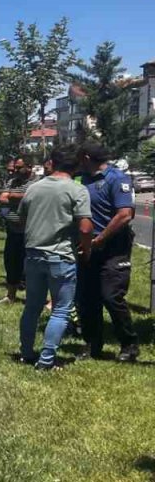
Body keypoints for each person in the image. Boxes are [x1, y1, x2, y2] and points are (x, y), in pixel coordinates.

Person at [18, 147, 93, 370]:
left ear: (53, 162)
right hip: (60, 255)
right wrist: (86, 250)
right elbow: (86, 228)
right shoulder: (77, 190)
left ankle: (26, 352)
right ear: (76, 166)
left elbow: (21, 220)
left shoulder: (33, 188)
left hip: (32, 254)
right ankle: (47, 359)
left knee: (32, 306)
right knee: (61, 308)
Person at [75, 142, 140, 362]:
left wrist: (100, 239)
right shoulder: (81, 179)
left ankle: (129, 344)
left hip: (113, 248)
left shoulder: (117, 178)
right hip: (87, 247)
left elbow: (125, 214)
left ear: (85, 157)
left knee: (111, 296)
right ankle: (93, 344)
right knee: (87, 298)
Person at [0, 157, 35, 303]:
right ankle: (10, 295)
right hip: (13, 231)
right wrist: (20, 197)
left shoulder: (36, 183)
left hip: (29, 231)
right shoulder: (12, 182)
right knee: (11, 263)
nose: (16, 171)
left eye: (19, 168)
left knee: (30, 266)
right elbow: (2, 198)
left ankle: (33, 297)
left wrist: (11, 196)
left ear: (29, 167)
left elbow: (33, 199)